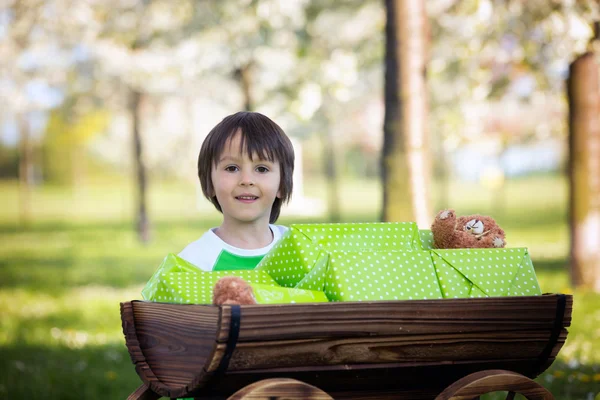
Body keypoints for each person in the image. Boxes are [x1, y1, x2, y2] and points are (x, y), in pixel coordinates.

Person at [178, 111, 295, 271]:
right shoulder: (193, 264)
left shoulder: (300, 250)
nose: (246, 180)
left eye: (261, 169)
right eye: (232, 168)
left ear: (282, 184)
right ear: (209, 182)